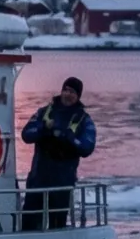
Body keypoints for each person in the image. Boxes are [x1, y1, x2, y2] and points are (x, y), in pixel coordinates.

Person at [19, 76, 97, 230]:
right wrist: (43, 129)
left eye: (72, 92)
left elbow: (87, 148)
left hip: (62, 183)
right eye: (66, 90)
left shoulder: (83, 120)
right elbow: (26, 134)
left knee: (57, 225)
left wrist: (70, 139)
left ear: (78, 96)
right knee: (29, 224)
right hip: (38, 181)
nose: (68, 94)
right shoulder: (44, 112)